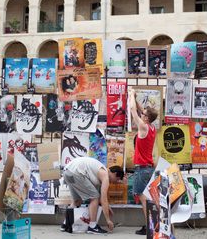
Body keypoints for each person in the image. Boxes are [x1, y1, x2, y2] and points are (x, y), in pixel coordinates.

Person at [61, 157, 124, 234]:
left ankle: (65, 224)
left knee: (77, 201)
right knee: (95, 198)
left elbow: (102, 198)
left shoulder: (99, 171)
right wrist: (108, 220)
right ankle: (92, 226)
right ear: (115, 174)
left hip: (67, 171)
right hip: (77, 172)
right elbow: (102, 199)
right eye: (117, 179)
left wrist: (107, 206)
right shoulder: (105, 176)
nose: (115, 182)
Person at [129, 89, 159, 235]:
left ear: (146, 118)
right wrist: (136, 98)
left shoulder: (143, 127)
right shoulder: (152, 128)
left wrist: (130, 93)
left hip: (142, 169)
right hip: (148, 168)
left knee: (142, 198)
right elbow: (141, 110)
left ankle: (150, 226)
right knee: (146, 197)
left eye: (145, 114)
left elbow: (133, 110)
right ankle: (151, 224)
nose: (142, 114)